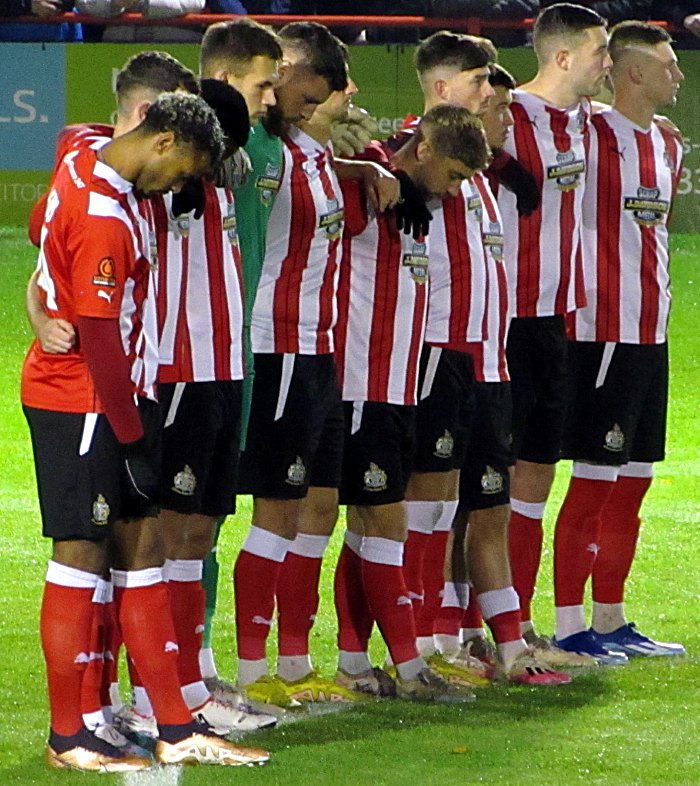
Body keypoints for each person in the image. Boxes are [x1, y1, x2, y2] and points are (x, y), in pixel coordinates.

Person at [22, 91, 269, 771]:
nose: (183, 186)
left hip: (121, 399)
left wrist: (38, 299)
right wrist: (132, 440)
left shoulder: (85, 156)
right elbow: (99, 334)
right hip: (85, 404)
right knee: (79, 560)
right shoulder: (105, 213)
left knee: (144, 554)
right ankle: (68, 735)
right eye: (186, 169)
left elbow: (44, 234)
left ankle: (173, 724)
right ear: (161, 141)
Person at [333, 103, 491, 701]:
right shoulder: (375, 176)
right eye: (451, 176)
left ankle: (354, 661)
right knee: (382, 521)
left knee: (369, 527)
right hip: (360, 380)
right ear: (422, 151)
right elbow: (327, 171)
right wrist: (360, 166)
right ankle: (410, 666)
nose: (454, 191)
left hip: (399, 381)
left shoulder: (415, 201)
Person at [551, 20, 686, 658]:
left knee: (633, 481)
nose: (680, 76)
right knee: (593, 478)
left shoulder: (666, 142)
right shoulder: (590, 133)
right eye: (667, 65)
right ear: (632, 73)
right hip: (599, 331)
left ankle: (611, 618)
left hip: (649, 334)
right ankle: (571, 624)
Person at [498, 3, 616, 662]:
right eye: (600, 51)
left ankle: (516, 629)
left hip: (557, 324)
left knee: (535, 481)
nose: (607, 63)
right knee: (480, 485)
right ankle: (458, 631)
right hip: (502, 322)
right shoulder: (507, 117)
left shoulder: (585, 122)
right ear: (563, 56)